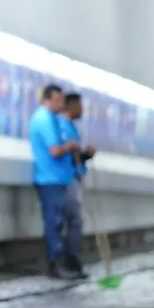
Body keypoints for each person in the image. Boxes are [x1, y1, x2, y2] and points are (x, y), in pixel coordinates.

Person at [27, 84, 81, 279]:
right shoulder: (44, 119)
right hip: (49, 179)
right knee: (54, 222)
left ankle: (60, 263)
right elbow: (55, 150)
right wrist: (71, 146)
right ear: (47, 99)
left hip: (58, 178)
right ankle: (55, 264)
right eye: (58, 100)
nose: (61, 104)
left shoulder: (53, 119)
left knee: (58, 222)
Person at [57, 92, 96, 278]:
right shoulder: (62, 126)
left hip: (74, 177)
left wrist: (85, 155)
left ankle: (72, 260)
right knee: (74, 220)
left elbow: (76, 156)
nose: (82, 110)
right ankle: (70, 261)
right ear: (71, 106)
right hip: (66, 179)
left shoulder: (72, 127)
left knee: (75, 221)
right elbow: (65, 154)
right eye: (80, 106)